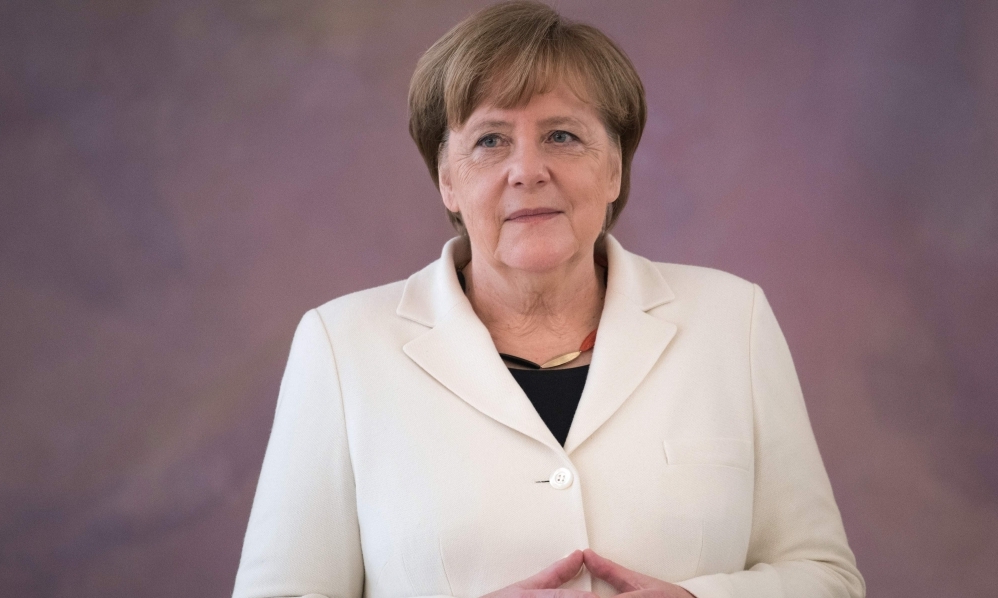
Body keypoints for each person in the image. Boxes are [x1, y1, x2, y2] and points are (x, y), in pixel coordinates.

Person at [232, 2, 865, 598]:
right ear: (447, 180)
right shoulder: (343, 346)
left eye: (562, 136)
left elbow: (826, 577)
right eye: (490, 140)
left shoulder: (734, 320)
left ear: (615, 169)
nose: (528, 169)